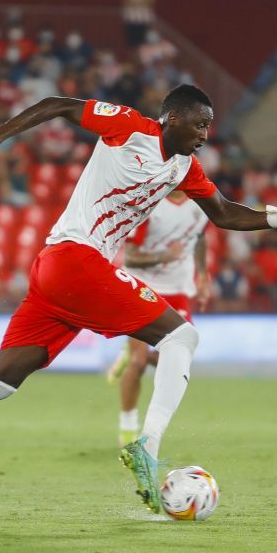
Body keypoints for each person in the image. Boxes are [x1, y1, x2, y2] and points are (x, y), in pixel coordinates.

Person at [0, 85, 277, 517]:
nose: (204, 135)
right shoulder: (129, 127)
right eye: (199, 125)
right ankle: (148, 446)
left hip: (58, 272)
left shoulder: (183, 169)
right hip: (75, 259)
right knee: (182, 337)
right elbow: (60, 105)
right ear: (172, 118)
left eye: (208, 128)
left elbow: (225, 212)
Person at [105, 189, 210, 446]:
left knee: (178, 360)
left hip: (178, 290)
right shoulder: (149, 205)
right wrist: (164, 256)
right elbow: (130, 256)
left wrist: (203, 275)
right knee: (139, 362)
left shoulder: (201, 203)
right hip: (142, 287)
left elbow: (198, 237)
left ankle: (129, 351)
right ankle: (128, 429)